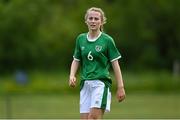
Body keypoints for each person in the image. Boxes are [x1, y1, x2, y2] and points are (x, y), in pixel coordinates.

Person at [69, 7, 125, 119]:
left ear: (101, 21)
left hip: (100, 84)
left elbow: (115, 65)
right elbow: (76, 60)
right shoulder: (80, 39)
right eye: (90, 18)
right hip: (85, 84)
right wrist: (72, 75)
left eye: (96, 19)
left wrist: (120, 87)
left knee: (93, 118)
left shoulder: (107, 40)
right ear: (86, 21)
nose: (93, 21)